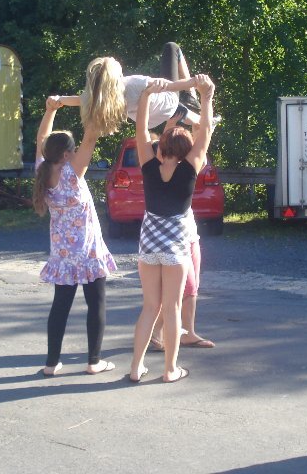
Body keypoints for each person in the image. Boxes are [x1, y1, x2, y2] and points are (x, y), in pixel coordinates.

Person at [128, 74, 216, 383]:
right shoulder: (190, 168)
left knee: (149, 307)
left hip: (148, 246)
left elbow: (141, 130)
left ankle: (136, 368)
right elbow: (205, 130)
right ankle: (169, 370)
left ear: (162, 145)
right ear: (188, 149)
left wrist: (145, 97)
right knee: (172, 307)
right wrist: (207, 96)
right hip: (176, 247)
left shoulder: (148, 164)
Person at [32, 97, 117, 376]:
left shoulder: (42, 170)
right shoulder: (72, 173)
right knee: (96, 304)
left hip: (63, 254)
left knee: (60, 307)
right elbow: (91, 135)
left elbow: (41, 139)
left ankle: (51, 363)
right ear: (67, 154)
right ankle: (94, 361)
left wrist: (50, 110)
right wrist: (94, 100)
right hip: (89, 251)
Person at [55, 42, 214, 136]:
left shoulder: (103, 98)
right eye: (114, 62)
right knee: (172, 48)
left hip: (149, 118)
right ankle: (191, 97)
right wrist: (194, 83)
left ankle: (200, 120)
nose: (114, 58)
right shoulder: (134, 83)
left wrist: (59, 100)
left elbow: (78, 100)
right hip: (168, 101)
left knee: (182, 113)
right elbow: (171, 86)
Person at [148, 129, 214, 351]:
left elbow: (200, 144)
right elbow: (200, 142)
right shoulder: (167, 171)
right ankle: (159, 333)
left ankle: (186, 332)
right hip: (176, 241)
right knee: (182, 289)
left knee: (191, 288)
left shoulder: (186, 168)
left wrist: (194, 127)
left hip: (190, 234)